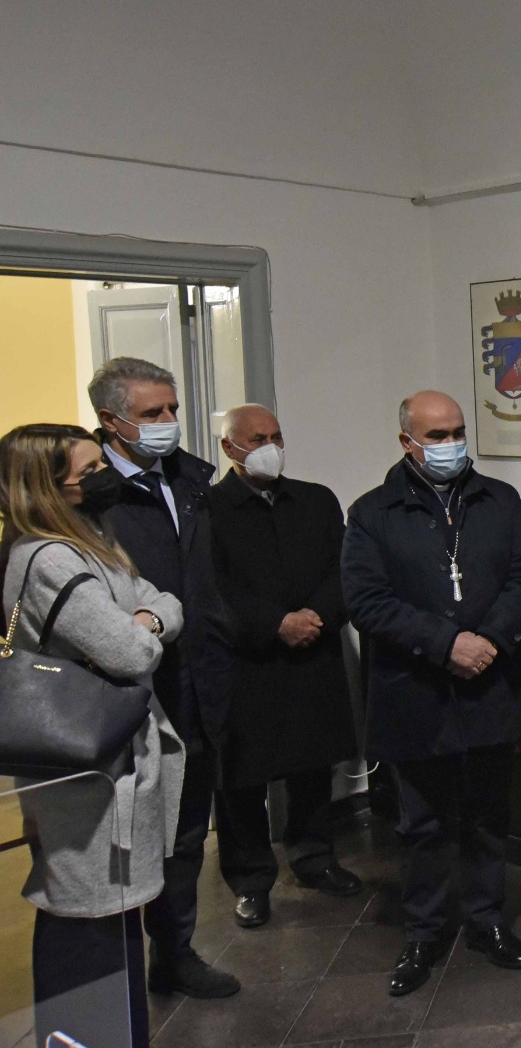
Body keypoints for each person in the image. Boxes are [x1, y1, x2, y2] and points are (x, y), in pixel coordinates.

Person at [342, 390, 521, 997]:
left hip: (489, 681)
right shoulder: (373, 513)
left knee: (488, 814)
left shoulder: (499, 500)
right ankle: (424, 931)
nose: (451, 444)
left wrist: (488, 638)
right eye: (436, 436)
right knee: (422, 822)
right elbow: (366, 601)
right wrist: (446, 643)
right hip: (416, 690)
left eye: (457, 431)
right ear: (407, 442)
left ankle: (487, 920)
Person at [0, 424, 186, 1048]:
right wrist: (142, 627)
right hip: (85, 778)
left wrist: (147, 618)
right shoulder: (49, 558)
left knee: (109, 917)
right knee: (85, 917)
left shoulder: (85, 542)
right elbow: (130, 653)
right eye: (87, 469)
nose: (101, 475)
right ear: (51, 486)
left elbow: (161, 602)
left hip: (105, 771)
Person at [89, 357, 239, 998]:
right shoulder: (84, 494)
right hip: (120, 691)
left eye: (172, 410)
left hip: (197, 681)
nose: (169, 424)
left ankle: (174, 954)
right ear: (110, 421)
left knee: (184, 830)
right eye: (152, 414)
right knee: (122, 835)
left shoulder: (192, 481)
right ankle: (105, 975)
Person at [208, 404, 362, 929]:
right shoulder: (207, 510)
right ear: (229, 448)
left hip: (313, 653)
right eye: (256, 439)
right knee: (241, 780)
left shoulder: (315, 501)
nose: (269, 447)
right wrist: (274, 623)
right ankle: (250, 880)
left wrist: (316, 615)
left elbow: (345, 569)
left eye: (276, 436)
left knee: (312, 767)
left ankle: (315, 857)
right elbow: (212, 589)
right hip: (247, 663)